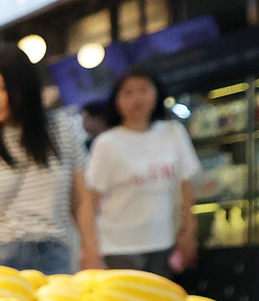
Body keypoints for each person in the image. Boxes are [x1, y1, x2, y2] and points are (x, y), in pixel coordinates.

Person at [0, 45, 86, 275]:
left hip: (53, 254)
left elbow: (81, 201)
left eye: (1, 88)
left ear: (24, 86)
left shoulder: (61, 130)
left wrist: (91, 252)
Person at [80, 69, 200, 275]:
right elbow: (90, 201)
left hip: (163, 242)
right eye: (128, 93)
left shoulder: (173, 133)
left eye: (144, 90)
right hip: (118, 247)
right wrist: (90, 249)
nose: (137, 99)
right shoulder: (106, 143)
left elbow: (186, 186)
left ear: (156, 93)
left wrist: (189, 232)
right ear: (116, 100)